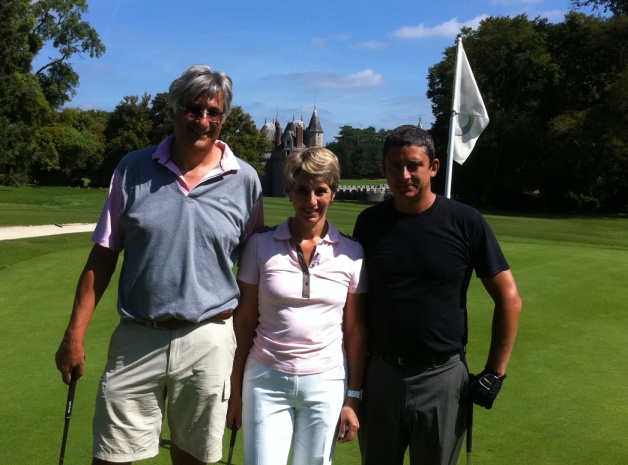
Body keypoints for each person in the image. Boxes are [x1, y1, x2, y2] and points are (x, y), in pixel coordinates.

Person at [54, 65, 264, 465]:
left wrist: (249, 354)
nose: (203, 121)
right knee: (111, 456)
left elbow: (252, 273)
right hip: (137, 338)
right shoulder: (132, 168)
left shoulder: (245, 180)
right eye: (192, 108)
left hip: (209, 339)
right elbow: (103, 254)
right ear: (173, 110)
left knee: (194, 459)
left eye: (213, 112)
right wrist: (74, 335)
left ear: (224, 117)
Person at [352, 125, 522, 465]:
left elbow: (509, 297)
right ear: (384, 169)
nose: (403, 175)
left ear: (433, 167)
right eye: (394, 166)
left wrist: (495, 372)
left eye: (413, 164)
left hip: (442, 377)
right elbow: (357, 304)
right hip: (381, 374)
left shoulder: (465, 221)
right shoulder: (369, 223)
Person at [226, 147, 368, 465]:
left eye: (321, 190)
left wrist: (353, 398)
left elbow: (355, 331)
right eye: (302, 190)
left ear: (333, 192)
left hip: (327, 381)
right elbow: (244, 322)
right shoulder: (259, 245)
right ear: (289, 191)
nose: (311, 201)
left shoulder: (352, 252)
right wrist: (234, 391)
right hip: (265, 378)